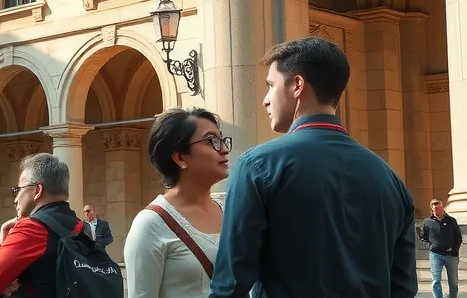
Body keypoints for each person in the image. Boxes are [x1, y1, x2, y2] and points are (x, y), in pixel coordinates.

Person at [209, 36, 418, 298]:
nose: (265, 99)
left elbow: (230, 283)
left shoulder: (258, 166)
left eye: (271, 85)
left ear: (297, 85)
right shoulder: (390, 179)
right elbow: (404, 287)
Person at [123, 108, 231, 297]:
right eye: (211, 141)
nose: (223, 149)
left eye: (221, 140)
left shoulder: (229, 210)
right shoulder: (151, 223)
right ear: (180, 157)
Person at [0, 152, 86, 298]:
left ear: (37, 190)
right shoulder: (82, 228)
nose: (16, 199)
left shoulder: (33, 229)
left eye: (18, 190)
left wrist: (1, 242)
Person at [421, 197, 462, 298]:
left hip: (451, 256)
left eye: (437, 205)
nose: (435, 208)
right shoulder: (427, 222)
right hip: (435, 255)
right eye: (433, 206)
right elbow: (422, 237)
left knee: (453, 282)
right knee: (436, 281)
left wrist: (454, 250)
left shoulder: (451, 221)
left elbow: (458, 237)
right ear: (431, 208)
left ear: (442, 207)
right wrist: (430, 247)